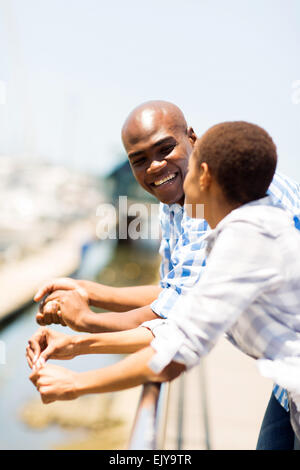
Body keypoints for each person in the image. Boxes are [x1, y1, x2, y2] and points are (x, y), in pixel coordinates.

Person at [27, 102, 300, 448]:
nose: (157, 170)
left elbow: (177, 345)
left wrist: (77, 372)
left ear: (203, 171)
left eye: (165, 151)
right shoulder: (217, 205)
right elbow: (174, 293)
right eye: (139, 159)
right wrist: (87, 296)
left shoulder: (241, 237)